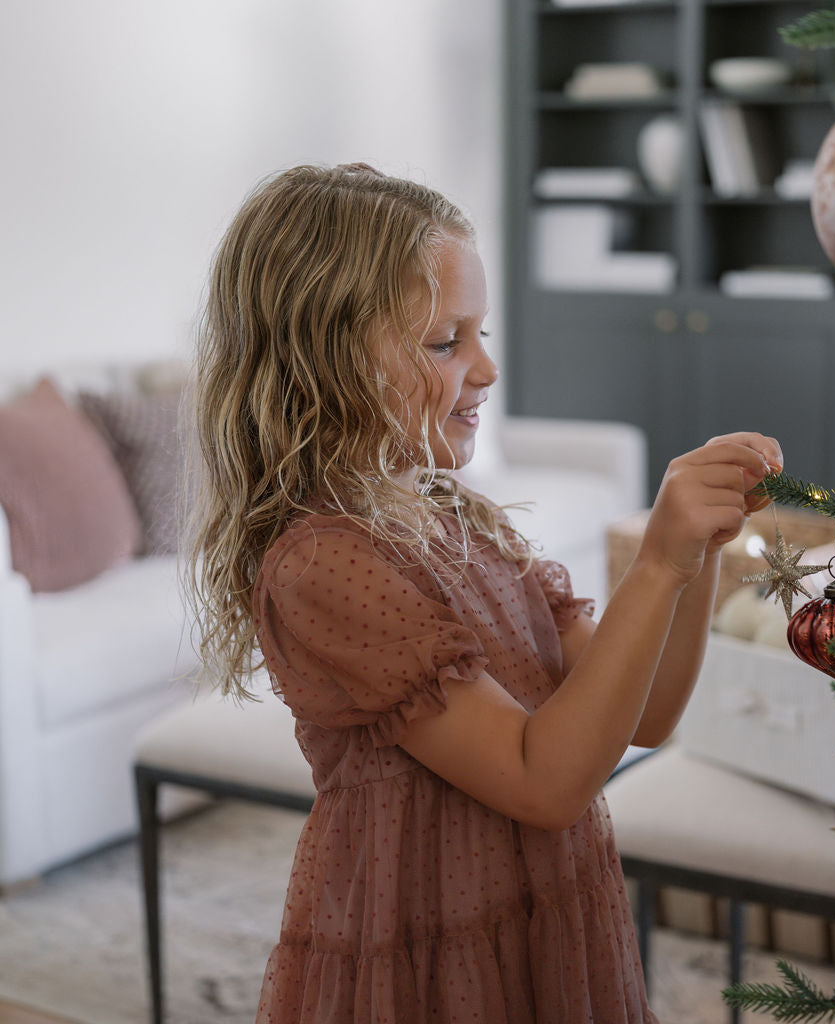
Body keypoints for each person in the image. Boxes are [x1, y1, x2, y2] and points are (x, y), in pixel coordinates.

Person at [186, 162, 783, 1024]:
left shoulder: (453, 510)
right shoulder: (319, 562)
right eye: (445, 342)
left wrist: (693, 558)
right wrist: (653, 563)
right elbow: (545, 783)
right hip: (429, 949)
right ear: (328, 358)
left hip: (546, 904)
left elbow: (648, 715)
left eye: (482, 333)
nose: (488, 367)